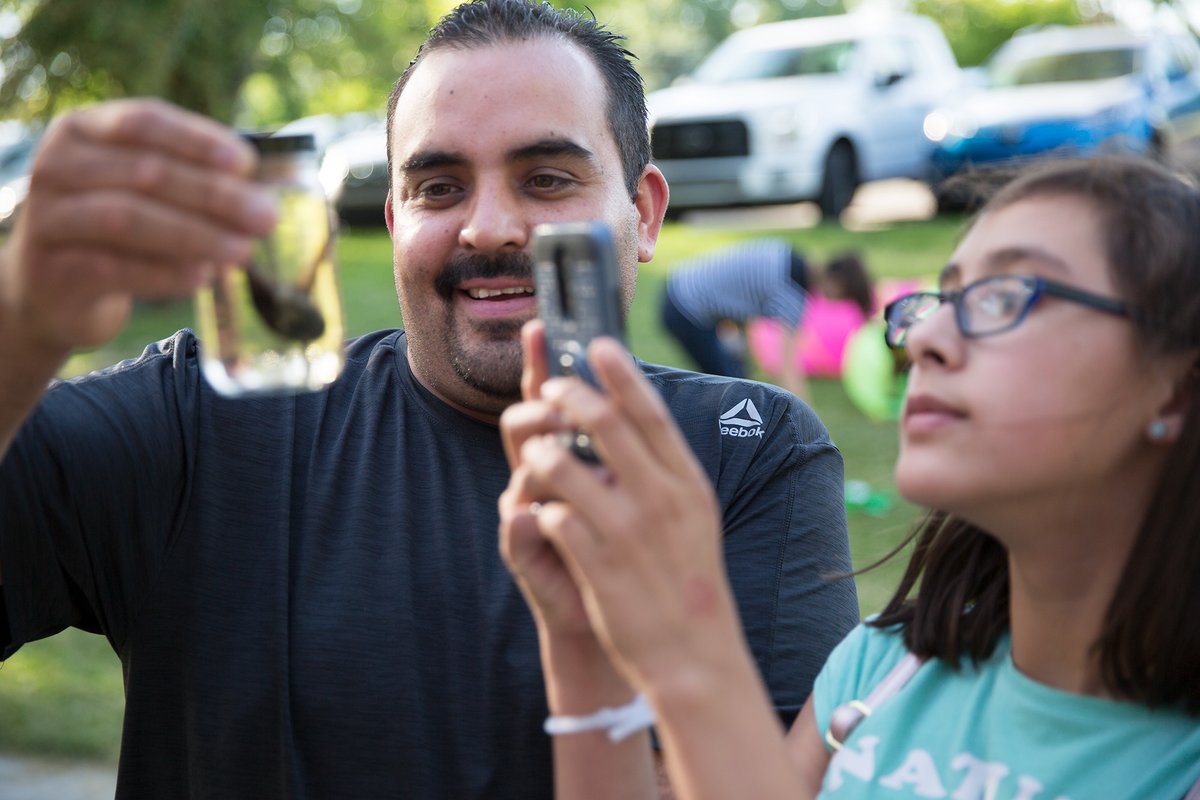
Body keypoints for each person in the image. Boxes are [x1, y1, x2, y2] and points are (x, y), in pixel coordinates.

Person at [0, 1, 859, 797]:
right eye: (438, 187)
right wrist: (22, 320)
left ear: (643, 211)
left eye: (549, 178)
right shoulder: (204, 420)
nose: (488, 227)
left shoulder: (747, 452)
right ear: (394, 217)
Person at [498, 154, 1200, 799]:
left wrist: (692, 633)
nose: (922, 338)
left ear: (1174, 387)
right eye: (941, 299)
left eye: (1002, 297)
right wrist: (585, 645)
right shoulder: (884, 666)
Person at [660, 239, 874, 399]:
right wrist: (808, 420)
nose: (836, 301)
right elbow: (788, 367)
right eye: (843, 297)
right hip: (685, 306)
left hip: (683, 290)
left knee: (736, 381)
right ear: (836, 282)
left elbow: (738, 290)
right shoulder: (791, 291)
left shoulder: (788, 256)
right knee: (729, 388)